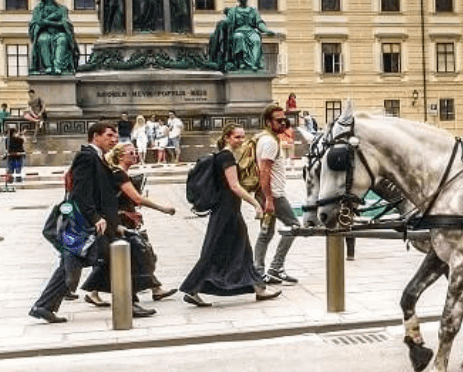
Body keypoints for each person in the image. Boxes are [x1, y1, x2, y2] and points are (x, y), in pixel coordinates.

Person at [30, 122, 153, 323]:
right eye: (109, 135)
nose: (114, 139)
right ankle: (128, 304)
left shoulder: (97, 158)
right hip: (92, 224)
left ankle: (43, 305)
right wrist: (96, 218)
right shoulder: (86, 158)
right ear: (95, 136)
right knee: (117, 257)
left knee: (83, 262)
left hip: (101, 223)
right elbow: (80, 193)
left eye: (115, 136)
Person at [180, 124, 282, 306]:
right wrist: (256, 203)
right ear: (227, 137)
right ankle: (191, 288)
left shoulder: (222, 155)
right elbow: (234, 186)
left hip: (226, 210)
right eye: (237, 137)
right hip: (227, 212)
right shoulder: (226, 157)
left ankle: (259, 288)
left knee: (240, 250)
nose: (241, 140)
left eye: (243, 137)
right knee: (216, 251)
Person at [81, 142, 176, 308]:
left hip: (121, 220)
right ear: (120, 156)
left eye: (135, 152)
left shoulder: (116, 173)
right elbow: (138, 199)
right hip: (121, 222)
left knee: (128, 256)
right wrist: (164, 208)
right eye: (131, 153)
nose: (135, 155)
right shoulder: (119, 174)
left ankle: (154, 288)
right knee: (140, 253)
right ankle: (147, 291)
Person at [253, 104, 300, 285]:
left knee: (266, 233)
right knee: (294, 226)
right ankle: (274, 268)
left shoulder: (265, 138)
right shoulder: (270, 142)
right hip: (274, 195)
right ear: (268, 122)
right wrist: (270, 199)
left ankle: (260, 271)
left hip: (266, 194)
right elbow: (264, 171)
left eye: (284, 119)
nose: (283, 123)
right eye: (278, 120)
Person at [206, 0, 276, 72]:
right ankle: (240, 62)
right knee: (239, 37)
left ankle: (253, 64)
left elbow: (259, 23)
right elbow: (228, 22)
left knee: (256, 39)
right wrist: (223, 23)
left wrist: (266, 30)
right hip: (238, 31)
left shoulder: (253, 11)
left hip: (251, 31)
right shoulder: (233, 11)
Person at [28, 0, 80, 75]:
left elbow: (65, 23)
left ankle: (58, 66)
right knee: (43, 40)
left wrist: (47, 22)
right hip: (44, 32)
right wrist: (40, 25)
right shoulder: (38, 9)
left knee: (62, 40)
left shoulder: (62, 9)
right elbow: (35, 23)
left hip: (59, 32)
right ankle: (47, 66)